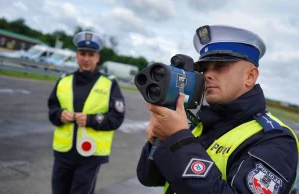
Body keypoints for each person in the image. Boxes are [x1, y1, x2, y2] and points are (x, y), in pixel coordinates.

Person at [136, 25, 299, 194]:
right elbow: (149, 178)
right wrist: (161, 139)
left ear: (250, 76)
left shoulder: (275, 140)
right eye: (204, 68)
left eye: (220, 66)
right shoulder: (199, 123)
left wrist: (178, 140)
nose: (207, 75)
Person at [48, 31, 125, 194]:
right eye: (82, 53)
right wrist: (60, 115)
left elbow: (117, 118)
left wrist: (91, 120)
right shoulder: (64, 80)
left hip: (90, 155)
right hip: (63, 154)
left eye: (91, 54)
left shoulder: (109, 83)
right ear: (76, 55)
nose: (86, 59)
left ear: (98, 57)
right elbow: (52, 108)